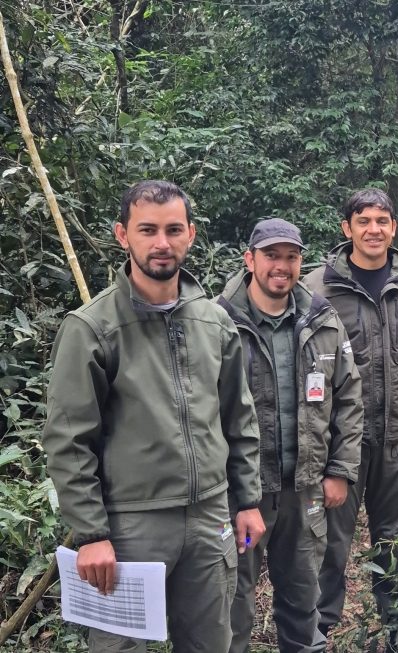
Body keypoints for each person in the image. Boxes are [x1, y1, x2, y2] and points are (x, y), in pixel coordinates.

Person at [43, 180, 265, 652]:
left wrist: (246, 500)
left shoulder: (215, 323)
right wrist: (91, 534)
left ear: (191, 235)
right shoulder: (91, 329)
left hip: (209, 518)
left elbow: (238, 421)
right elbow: (68, 440)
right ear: (123, 235)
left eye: (172, 229)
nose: (161, 243)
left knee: (210, 644)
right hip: (129, 527)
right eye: (147, 230)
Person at [217, 219, 363, 653]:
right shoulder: (219, 321)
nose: (282, 266)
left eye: (291, 257)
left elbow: (350, 396)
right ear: (250, 260)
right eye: (272, 256)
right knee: (233, 603)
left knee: (304, 601)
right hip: (239, 495)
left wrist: (339, 469)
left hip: (304, 489)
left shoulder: (322, 319)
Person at [305, 189, 398, 647]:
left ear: (393, 228)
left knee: (393, 542)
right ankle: (316, 634)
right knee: (329, 545)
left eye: (382, 220)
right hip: (341, 444)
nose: (373, 229)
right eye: (363, 221)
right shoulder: (318, 288)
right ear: (347, 229)